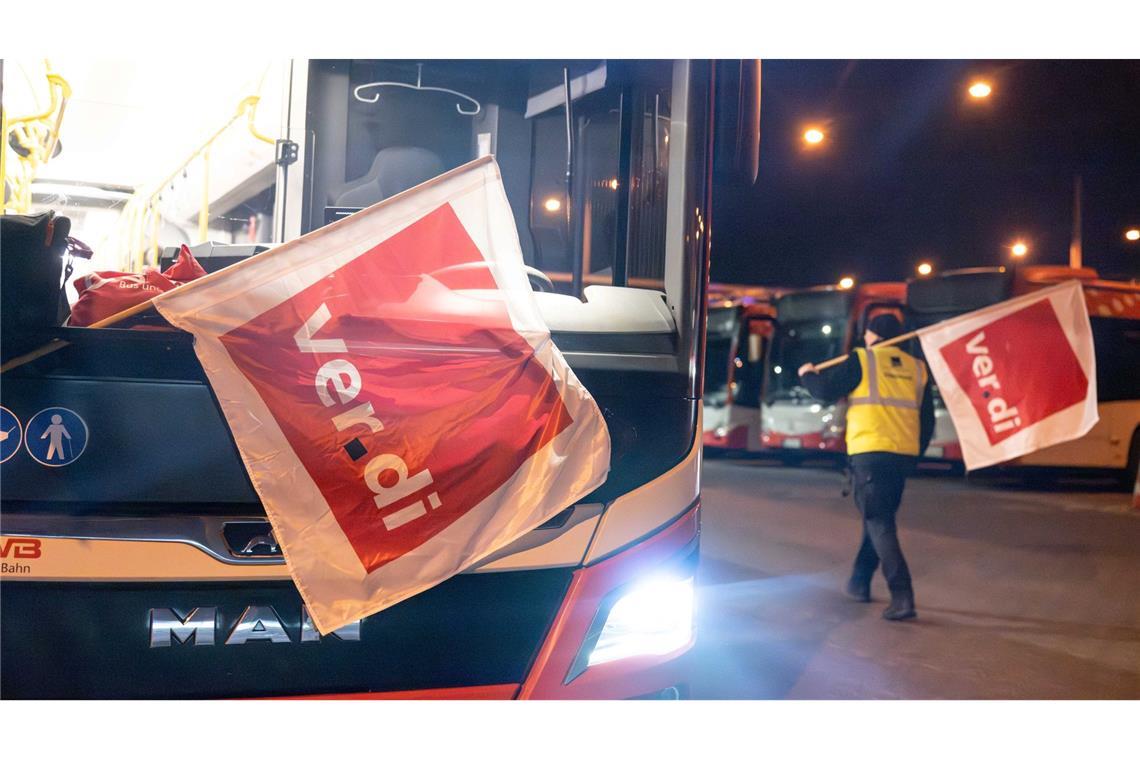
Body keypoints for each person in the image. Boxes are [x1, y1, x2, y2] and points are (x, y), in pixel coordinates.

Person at [798, 313, 934, 621]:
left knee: (879, 522)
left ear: (871, 335)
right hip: (900, 457)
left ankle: (902, 596)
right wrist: (914, 455)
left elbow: (824, 390)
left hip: (869, 453)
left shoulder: (863, 359)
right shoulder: (917, 369)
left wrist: (807, 374)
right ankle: (859, 582)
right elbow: (926, 421)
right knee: (877, 519)